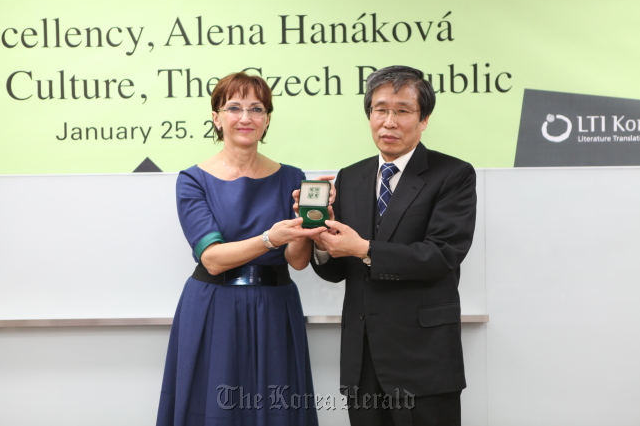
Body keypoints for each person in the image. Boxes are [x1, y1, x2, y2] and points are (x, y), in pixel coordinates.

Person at [156, 72, 327, 426]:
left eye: (256, 109)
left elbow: (296, 262)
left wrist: (308, 225)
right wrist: (270, 238)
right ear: (216, 118)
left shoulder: (294, 178)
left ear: (267, 120)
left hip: (276, 307)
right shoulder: (193, 180)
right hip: (213, 308)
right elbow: (213, 260)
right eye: (234, 108)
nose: (245, 118)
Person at [311, 65, 477, 426]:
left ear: (424, 119)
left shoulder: (453, 174)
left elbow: (442, 255)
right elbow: (337, 270)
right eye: (380, 109)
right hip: (363, 358)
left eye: (402, 110)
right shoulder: (350, 176)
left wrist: (362, 248)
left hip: (423, 358)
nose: (389, 121)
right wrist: (321, 243)